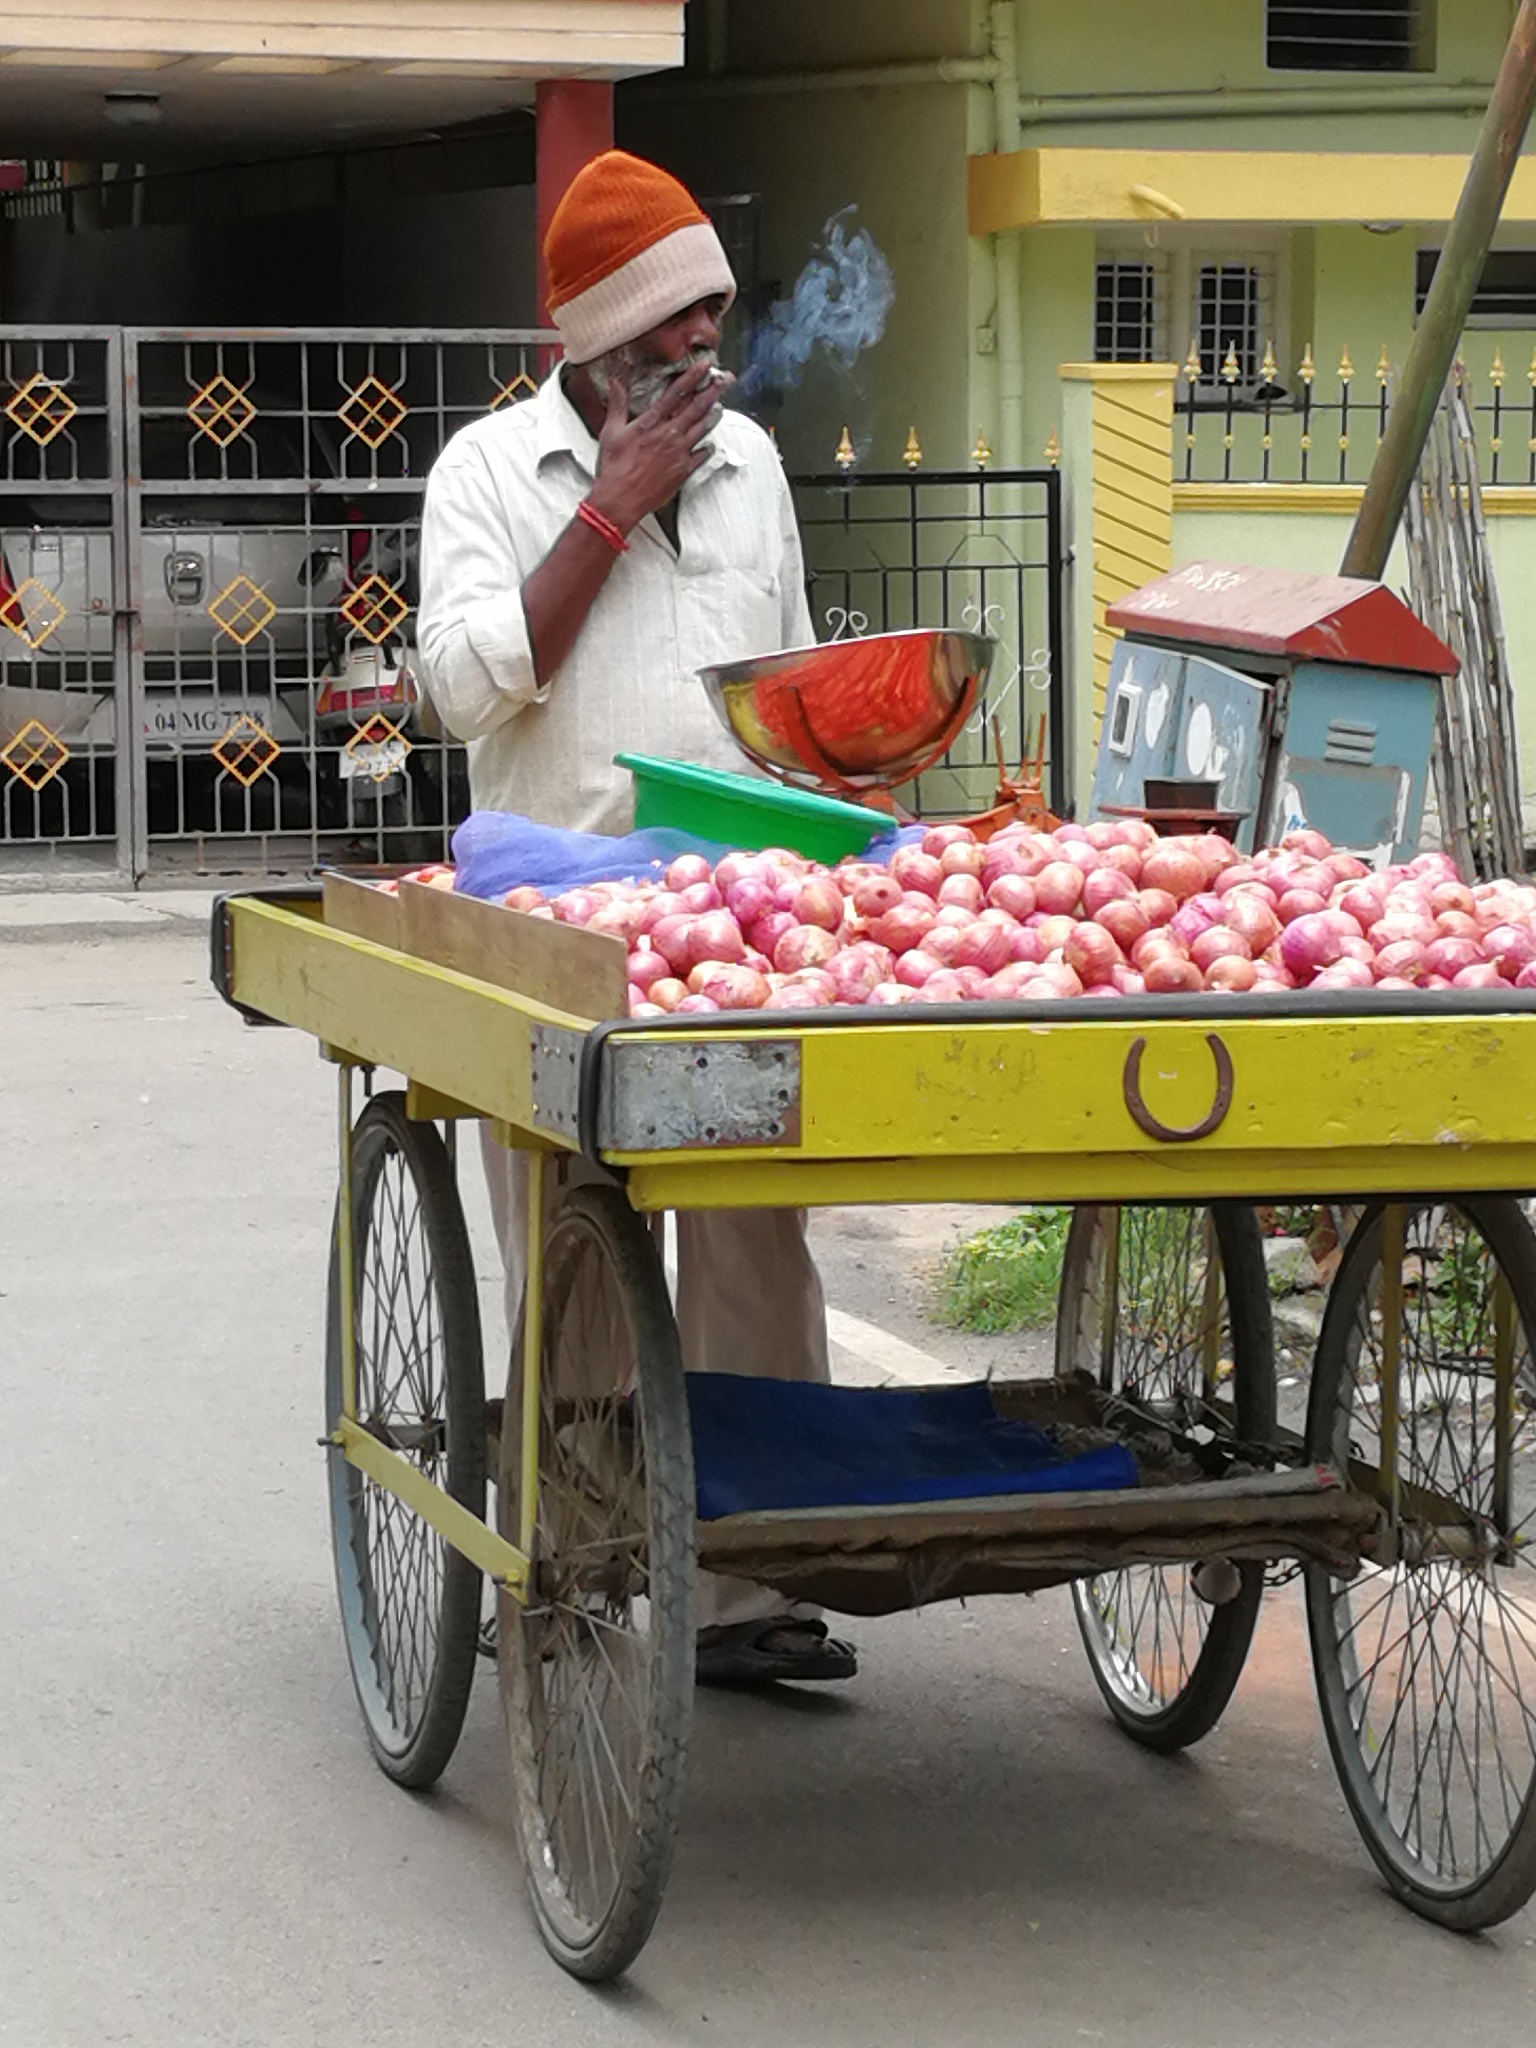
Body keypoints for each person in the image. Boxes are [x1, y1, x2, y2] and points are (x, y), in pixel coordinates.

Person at [416, 149, 856, 1686]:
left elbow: (791, 690)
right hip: (553, 926)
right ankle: (587, 1557)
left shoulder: (756, 472)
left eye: (710, 337)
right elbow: (464, 688)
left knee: (754, 1237)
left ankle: (752, 1577)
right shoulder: (485, 477)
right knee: (576, 1246)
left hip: (735, 925)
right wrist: (609, 511)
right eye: (664, 353)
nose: (698, 375)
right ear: (593, 362)